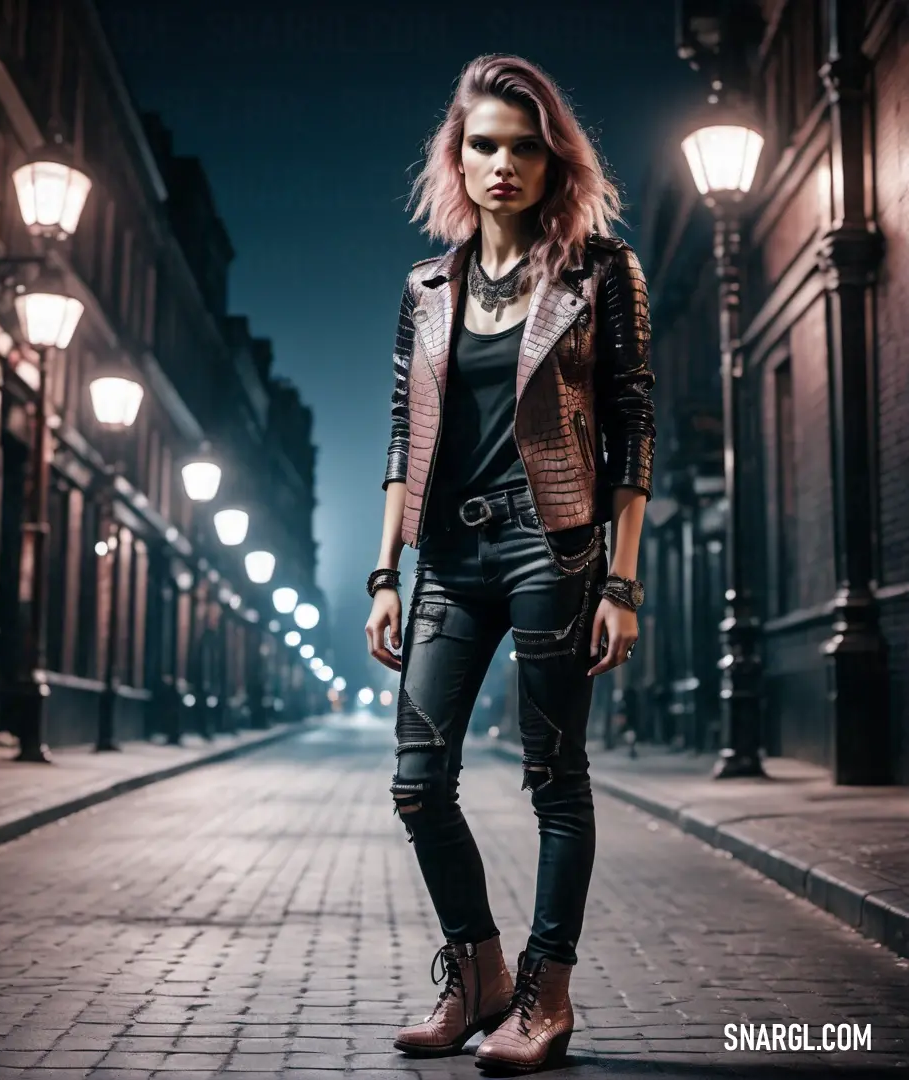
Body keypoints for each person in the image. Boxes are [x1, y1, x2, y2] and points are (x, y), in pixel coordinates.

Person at [364, 53, 654, 1073]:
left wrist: (621, 582)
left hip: (553, 547)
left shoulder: (599, 271)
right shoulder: (426, 287)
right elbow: (403, 434)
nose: (503, 164)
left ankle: (549, 993)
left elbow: (632, 428)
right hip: (449, 552)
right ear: (458, 156)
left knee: (552, 777)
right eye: (484, 144)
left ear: (552, 161)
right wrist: (384, 573)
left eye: (524, 146)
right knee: (415, 782)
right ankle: (479, 968)